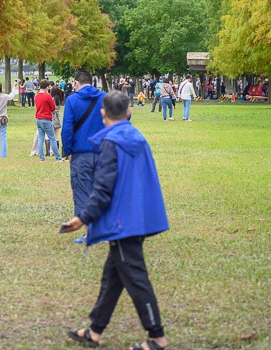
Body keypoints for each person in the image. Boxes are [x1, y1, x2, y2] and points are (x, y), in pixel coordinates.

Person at [63, 91, 169, 350]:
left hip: (124, 222)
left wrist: (82, 218)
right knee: (113, 276)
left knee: (135, 278)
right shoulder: (137, 137)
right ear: (129, 113)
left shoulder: (112, 142)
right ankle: (94, 331)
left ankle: (157, 337)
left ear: (103, 114)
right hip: (137, 216)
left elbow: (103, 189)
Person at [61, 70, 107, 245]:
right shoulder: (105, 97)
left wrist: (68, 151)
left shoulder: (72, 100)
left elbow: (67, 128)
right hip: (103, 152)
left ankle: (90, 233)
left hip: (81, 152)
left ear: (76, 83)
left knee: (82, 191)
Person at [35, 81, 64, 162]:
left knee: (41, 139)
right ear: (47, 87)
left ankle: (41, 157)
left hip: (39, 119)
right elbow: (52, 108)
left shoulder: (36, 96)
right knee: (52, 138)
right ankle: (58, 157)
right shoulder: (47, 96)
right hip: (47, 119)